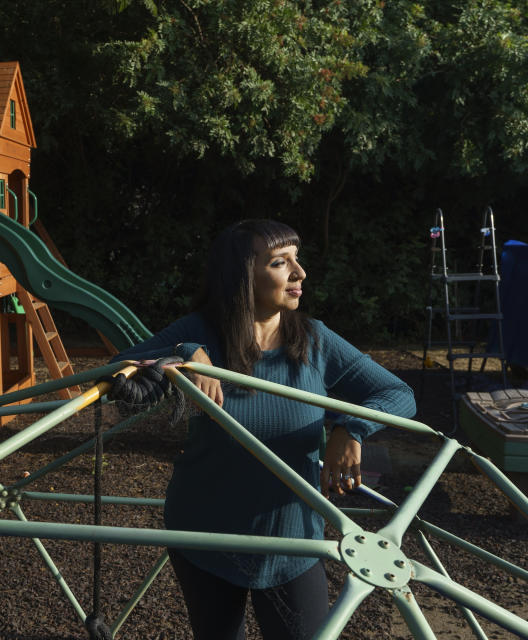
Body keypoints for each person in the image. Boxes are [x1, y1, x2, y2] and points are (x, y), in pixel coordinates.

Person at [104, 219, 416, 640]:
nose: (299, 272)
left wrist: (350, 428)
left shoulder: (314, 340)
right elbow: (113, 373)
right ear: (240, 276)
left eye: (297, 259)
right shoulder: (199, 332)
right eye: (279, 262)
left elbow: (398, 393)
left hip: (293, 542)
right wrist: (184, 354)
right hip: (205, 534)